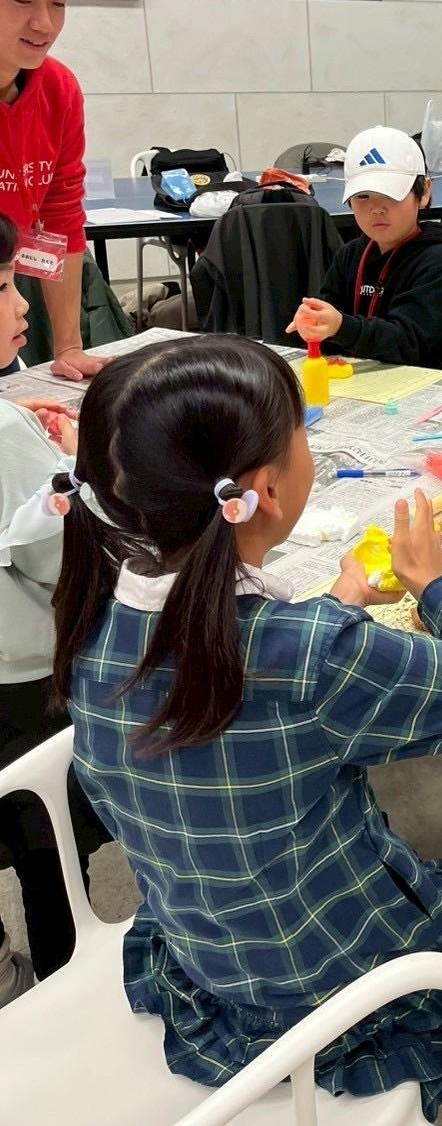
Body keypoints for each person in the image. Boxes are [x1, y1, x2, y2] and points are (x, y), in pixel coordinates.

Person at [50, 336, 442, 1114]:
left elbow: (253, 683)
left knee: (437, 890)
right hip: (332, 968)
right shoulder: (313, 656)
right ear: (266, 489)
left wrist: (338, 606)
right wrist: (435, 584)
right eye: (303, 435)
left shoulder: (91, 619)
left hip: (206, 944)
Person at [0, 209, 104, 1005]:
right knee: (49, 844)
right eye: (3, 287)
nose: (20, 303)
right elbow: (59, 557)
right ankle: (65, 988)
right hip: (25, 680)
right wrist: (73, 472)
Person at [0, 0, 102, 381]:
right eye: (22, 0)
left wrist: (69, 347)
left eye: (58, 4)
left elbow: (61, 216)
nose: (44, 23)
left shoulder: (58, 88)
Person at [288, 127, 442, 371]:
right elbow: (330, 314)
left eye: (391, 195)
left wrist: (341, 327)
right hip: (358, 377)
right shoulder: (350, 254)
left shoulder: (439, 261)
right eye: (363, 196)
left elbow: (408, 343)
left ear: (424, 192)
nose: (377, 209)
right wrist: (315, 323)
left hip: (425, 381)